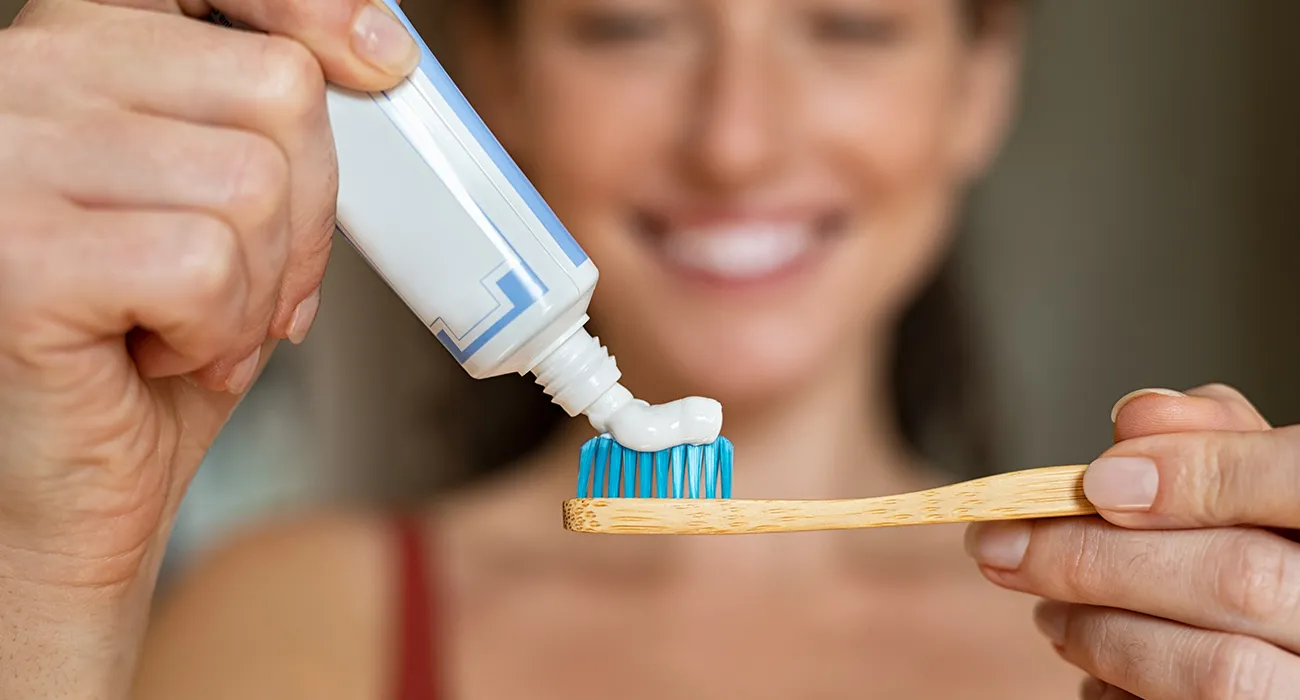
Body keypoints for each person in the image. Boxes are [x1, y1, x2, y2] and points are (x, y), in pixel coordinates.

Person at [0, 0, 1296, 698]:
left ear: (979, 81)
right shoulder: (295, 614)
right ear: (487, 83)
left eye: (850, 26)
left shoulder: (1164, 645)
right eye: (628, 24)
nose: (735, 138)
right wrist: (51, 556)